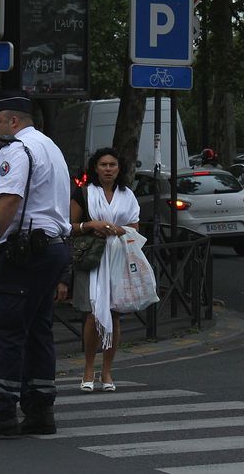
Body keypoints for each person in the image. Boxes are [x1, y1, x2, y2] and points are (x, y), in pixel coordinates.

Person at [0, 89, 71, 440]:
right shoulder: (50, 148)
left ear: (14, 121)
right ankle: (41, 409)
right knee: (38, 328)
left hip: (27, 252)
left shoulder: (17, 149)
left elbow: (9, 200)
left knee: (7, 329)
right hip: (52, 249)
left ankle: (2, 412)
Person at [63, 147, 139, 393]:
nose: (108, 169)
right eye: (103, 165)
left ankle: (107, 370)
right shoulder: (84, 193)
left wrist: (121, 230)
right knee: (92, 314)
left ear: (119, 169)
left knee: (115, 315)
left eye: (112, 165)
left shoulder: (128, 195)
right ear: (95, 168)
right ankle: (88, 369)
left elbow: (135, 227)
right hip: (92, 260)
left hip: (117, 258)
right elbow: (68, 227)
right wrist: (90, 225)